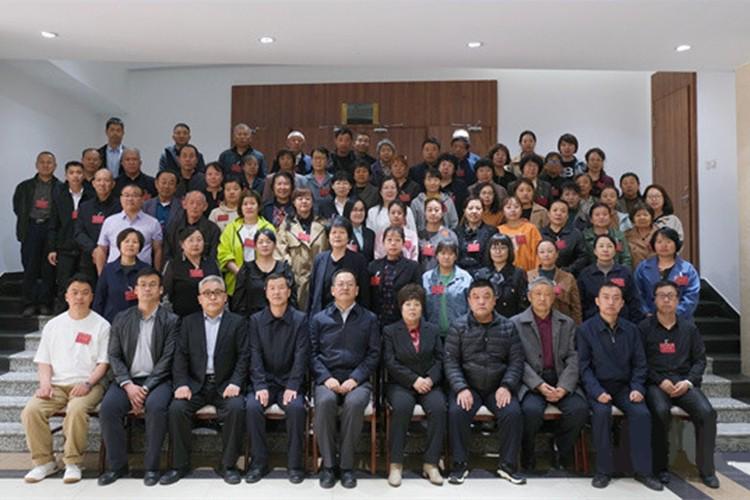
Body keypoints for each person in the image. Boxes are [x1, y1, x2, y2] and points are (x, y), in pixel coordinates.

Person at [21, 274, 110, 484]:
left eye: (85, 293)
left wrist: (87, 383)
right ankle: (44, 462)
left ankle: (72, 462)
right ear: (67, 296)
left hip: (90, 384)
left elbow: (103, 364)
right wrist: (44, 385)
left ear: (92, 297)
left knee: (76, 409)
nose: (80, 297)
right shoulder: (54, 325)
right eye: (75, 292)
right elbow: (44, 361)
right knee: (31, 411)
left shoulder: (101, 325)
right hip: (56, 385)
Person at [161, 275, 248, 485]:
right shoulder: (188, 322)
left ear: (225, 297)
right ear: (200, 298)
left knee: (236, 408)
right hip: (195, 384)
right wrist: (181, 383)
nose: (212, 297)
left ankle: (228, 465)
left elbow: (244, 356)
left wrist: (236, 382)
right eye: (207, 293)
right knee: (176, 409)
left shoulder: (237, 322)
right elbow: (180, 356)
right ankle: (179, 465)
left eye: (217, 293)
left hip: (225, 384)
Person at [576, 282, 663, 491]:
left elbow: (640, 364)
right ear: (597, 302)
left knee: (641, 414)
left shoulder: (631, 330)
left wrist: (637, 388)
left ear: (623, 303)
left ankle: (643, 471)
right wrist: (597, 392)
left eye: (616, 298)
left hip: (625, 387)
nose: (611, 302)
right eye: (606, 297)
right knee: (601, 414)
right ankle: (602, 471)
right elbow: (583, 368)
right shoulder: (585, 330)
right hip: (597, 387)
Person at [98, 267, 179, 486]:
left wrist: (146, 388)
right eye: (142, 285)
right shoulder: (121, 318)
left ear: (161, 290)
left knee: (155, 407)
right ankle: (117, 466)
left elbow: (167, 358)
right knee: (108, 409)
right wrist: (127, 384)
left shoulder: (171, 320)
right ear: (135, 290)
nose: (147, 289)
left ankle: (152, 467)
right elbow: (113, 355)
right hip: (127, 381)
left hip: (158, 381)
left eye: (152, 285)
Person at [444, 279, 526, 485]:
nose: (481, 301)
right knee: (456, 412)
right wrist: (461, 388)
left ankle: (507, 465)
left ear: (495, 300)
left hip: (497, 387)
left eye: (486, 297)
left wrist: (506, 386)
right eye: (476, 297)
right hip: (468, 386)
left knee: (513, 413)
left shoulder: (508, 327)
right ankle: (459, 464)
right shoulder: (458, 326)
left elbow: (516, 361)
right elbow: (451, 362)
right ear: (469, 301)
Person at [639, 280, 719, 489]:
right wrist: (659, 380)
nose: (666, 300)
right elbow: (639, 361)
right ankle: (660, 468)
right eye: (661, 296)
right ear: (654, 300)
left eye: (671, 296)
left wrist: (689, 381)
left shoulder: (689, 328)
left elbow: (700, 359)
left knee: (707, 413)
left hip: (684, 382)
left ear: (677, 300)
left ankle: (707, 470)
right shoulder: (644, 328)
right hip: (656, 383)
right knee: (659, 411)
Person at [310, 269, 380, 489]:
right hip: (327, 378)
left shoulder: (369, 319)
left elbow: (373, 354)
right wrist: (326, 377)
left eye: (350, 284)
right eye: (340, 284)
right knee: (325, 402)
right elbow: (311, 354)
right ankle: (329, 466)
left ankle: (347, 466)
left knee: (355, 402)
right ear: (332, 290)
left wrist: (355, 378)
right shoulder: (319, 318)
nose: (345, 288)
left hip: (356, 379)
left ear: (357, 290)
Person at [512, 276, 588, 473]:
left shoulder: (567, 323)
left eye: (547, 294)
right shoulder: (516, 323)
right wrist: (538, 385)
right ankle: (527, 452)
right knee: (530, 411)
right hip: (532, 382)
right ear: (529, 296)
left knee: (579, 410)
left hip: (560, 378)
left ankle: (561, 448)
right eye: (538, 294)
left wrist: (563, 387)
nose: (543, 299)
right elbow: (517, 360)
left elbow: (573, 357)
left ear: (554, 297)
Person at [245, 273, 309, 484]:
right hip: (266, 381)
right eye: (272, 288)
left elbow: (302, 355)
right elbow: (254, 355)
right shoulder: (255, 320)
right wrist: (260, 385)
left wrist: (293, 385)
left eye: (281, 288)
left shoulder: (300, 320)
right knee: (252, 407)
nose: (277, 292)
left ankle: (295, 465)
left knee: (297, 408)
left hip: (290, 382)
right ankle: (259, 463)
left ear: (289, 292)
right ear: (266, 292)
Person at [383, 285, 446, 487]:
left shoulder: (432, 330)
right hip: (401, 384)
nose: (412, 309)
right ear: (401, 308)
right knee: (402, 408)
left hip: (429, 383)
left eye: (416, 304)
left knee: (438, 407)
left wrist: (429, 379)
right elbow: (390, 362)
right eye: (408, 304)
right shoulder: (390, 331)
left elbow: (440, 359)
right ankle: (396, 464)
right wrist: (413, 380)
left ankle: (431, 463)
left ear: (422, 307)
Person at [13, 151, 62, 315]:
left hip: (51, 229)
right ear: (36, 165)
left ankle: (45, 303)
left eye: (49, 162)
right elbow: (17, 208)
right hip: (31, 228)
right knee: (30, 267)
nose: (46, 165)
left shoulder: (61, 187)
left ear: (55, 166)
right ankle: (29, 303)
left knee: (48, 268)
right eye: (42, 162)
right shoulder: (24, 186)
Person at [47, 161, 93, 312]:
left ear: (84, 174)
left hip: (85, 248)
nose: (76, 176)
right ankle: (61, 317)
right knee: (63, 285)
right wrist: (52, 249)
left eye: (79, 172)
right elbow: (53, 224)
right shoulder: (59, 195)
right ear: (66, 175)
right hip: (65, 246)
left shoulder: (91, 194)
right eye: (71, 172)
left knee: (87, 284)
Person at [275, 187, 329, 309]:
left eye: (307, 198)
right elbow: (280, 250)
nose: (304, 201)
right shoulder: (287, 225)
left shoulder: (322, 224)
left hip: (320, 276)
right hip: (295, 278)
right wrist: (289, 268)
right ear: (294, 202)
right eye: (300, 198)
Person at [217, 190, 275, 296]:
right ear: (240, 207)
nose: (249, 207)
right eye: (245, 204)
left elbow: (274, 254)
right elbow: (224, 253)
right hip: (236, 281)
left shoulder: (268, 228)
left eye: (252, 203)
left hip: (263, 280)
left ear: (259, 206)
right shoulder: (231, 228)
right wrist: (239, 273)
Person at [308, 217, 370, 315]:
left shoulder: (359, 260)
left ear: (348, 237)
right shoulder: (320, 259)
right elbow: (312, 292)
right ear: (328, 237)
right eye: (334, 232)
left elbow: (364, 293)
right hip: (322, 317)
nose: (337, 236)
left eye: (342, 232)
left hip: (351, 316)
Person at [634, 227, 700, 319]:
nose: (664, 245)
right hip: (649, 319)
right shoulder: (643, 267)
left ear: (676, 244)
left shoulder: (687, 269)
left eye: (668, 242)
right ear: (653, 245)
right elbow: (637, 293)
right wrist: (646, 312)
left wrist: (674, 314)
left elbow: (691, 295)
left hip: (680, 319)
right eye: (659, 242)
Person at [96, 184, 163, 272]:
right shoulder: (110, 221)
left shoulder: (153, 223)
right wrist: (102, 275)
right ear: (121, 199)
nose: (130, 199)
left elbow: (158, 250)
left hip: (143, 274)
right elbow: (102, 249)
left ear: (142, 199)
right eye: (126, 195)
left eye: (135, 195)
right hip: (114, 272)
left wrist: (156, 273)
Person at [578, 234, 643, 323]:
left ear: (615, 250)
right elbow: (581, 303)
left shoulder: (624, 272)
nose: (605, 249)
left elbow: (634, 300)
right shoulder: (585, 274)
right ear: (595, 251)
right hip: (592, 323)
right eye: (601, 246)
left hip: (622, 321)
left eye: (609, 246)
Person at [231, 229, 297, 316]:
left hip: (281, 318)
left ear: (274, 245)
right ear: (255, 246)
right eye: (260, 242)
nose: (264, 245)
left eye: (268, 242)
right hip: (252, 320)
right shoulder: (247, 269)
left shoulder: (284, 268)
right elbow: (238, 300)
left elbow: (292, 299)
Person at [75, 168, 121, 284]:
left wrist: (104, 250)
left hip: (114, 257)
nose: (102, 184)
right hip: (88, 257)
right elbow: (79, 232)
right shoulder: (85, 207)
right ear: (93, 183)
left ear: (113, 184)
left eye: (106, 180)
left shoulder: (120, 206)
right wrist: (94, 250)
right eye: (99, 180)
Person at [369, 226, 421, 327]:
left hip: (402, 320)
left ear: (403, 243)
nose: (393, 243)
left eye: (397, 240)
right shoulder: (373, 266)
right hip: (377, 319)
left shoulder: (412, 267)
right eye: (389, 240)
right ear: (383, 243)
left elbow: (418, 295)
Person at [162, 227, 221, 317]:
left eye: (199, 240)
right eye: (191, 240)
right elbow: (165, 294)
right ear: (182, 244)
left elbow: (221, 290)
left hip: (210, 316)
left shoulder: (212, 263)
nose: (195, 244)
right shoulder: (173, 265)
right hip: (181, 317)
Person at [94, 228, 149, 322]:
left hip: (138, 321)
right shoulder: (108, 269)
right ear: (119, 244)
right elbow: (99, 298)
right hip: (111, 320)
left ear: (140, 247)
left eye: (135, 242)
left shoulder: (146, 270)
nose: (130, 245)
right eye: (126, 241)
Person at [422, 240, 472, 338]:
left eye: (450, 254)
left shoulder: (465, 277)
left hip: (459, 332)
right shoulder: (427, 278)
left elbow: (471, 306)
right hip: (433, 332)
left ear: (456, 256)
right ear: (436, 255)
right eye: (443, 253)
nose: (446, 257)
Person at [527, 240, 583, 323]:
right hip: (536, 322)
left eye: (550, 251)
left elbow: (576, 306)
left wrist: (577, 326)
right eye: (542, 252)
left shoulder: (568, 277)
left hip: (563, 323)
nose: (546, 255)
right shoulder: (529, 276)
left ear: (557, 254)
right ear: (537, 255)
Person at [475, 233, 529, 318]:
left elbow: (523, 304)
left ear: (509, 250)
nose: (498, 252)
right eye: (494, 248)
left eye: (502, 248)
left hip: (511, 322)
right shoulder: (481, 274)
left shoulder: (518, 274)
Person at [164, 191, 220, 263]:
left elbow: (213, 256)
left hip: (204, 270)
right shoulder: (173, 227)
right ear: (184, 204)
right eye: (191, 203)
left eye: (199, 204)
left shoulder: (213, 229)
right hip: (177, 269)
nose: (195, 206)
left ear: (205, 207)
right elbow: (167, 254)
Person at [541, 199, 589, 276]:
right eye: (555, 210)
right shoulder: (540, 234)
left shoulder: (576, 234)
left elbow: (583, 257)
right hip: (544, 274)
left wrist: (569, 270)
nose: (558, 213)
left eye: (563, 211)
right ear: (549, 214)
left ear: (567, 216)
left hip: (569, 276)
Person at [498, 196, 542, 272]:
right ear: (503, 211)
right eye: (508, 207)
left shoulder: (531, 228)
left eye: (516, 207)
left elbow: (538, 252)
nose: (513, 210)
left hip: (529, 272)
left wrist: (536, 271)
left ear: (521, 209)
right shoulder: (498, 230)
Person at [455, 196, 498, 274]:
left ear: (483, 211)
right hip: (460, 275)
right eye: (470, 208)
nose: (474, 211)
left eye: (478, 208)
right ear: (464, 211)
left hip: (484, 274)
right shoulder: (456, 232)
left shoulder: (491, 231)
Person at [582, 203, 632, 268]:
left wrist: (622, 273)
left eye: (605, 214)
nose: (601, 217)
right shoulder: (583, 236)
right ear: (591, 219)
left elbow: (626, 258)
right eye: (597, 215)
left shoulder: (618, 235)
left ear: (610, 218)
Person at [411, 166, 459, 231]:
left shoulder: (448, 201)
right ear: (424, 181)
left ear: (440, 182)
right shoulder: (416, 202)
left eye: (436, 180)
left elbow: (454, 223)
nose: (432, 183)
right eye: (429, 180)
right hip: (423, 239)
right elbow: (413, 225)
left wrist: (449, 236)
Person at [418, 198, 459, 272]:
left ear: (442, 213)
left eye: (436, 210)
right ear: (424, 213)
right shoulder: (418, 235)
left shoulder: (450, 235)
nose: (433, 213)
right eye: (429, 210)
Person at [624, 203, 656, 269]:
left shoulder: (660, 234)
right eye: (638, 215)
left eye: (645, 215)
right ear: (632, 219)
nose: (642, 218)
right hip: (634, 274)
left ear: (651, 217)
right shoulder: (626, 235)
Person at [304, 146, 333, 211]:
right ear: (311, 160)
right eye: (316, 158)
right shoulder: (304, 180)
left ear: (327, 161)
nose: (318, 161)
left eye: (322, 158)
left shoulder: (333, 179)